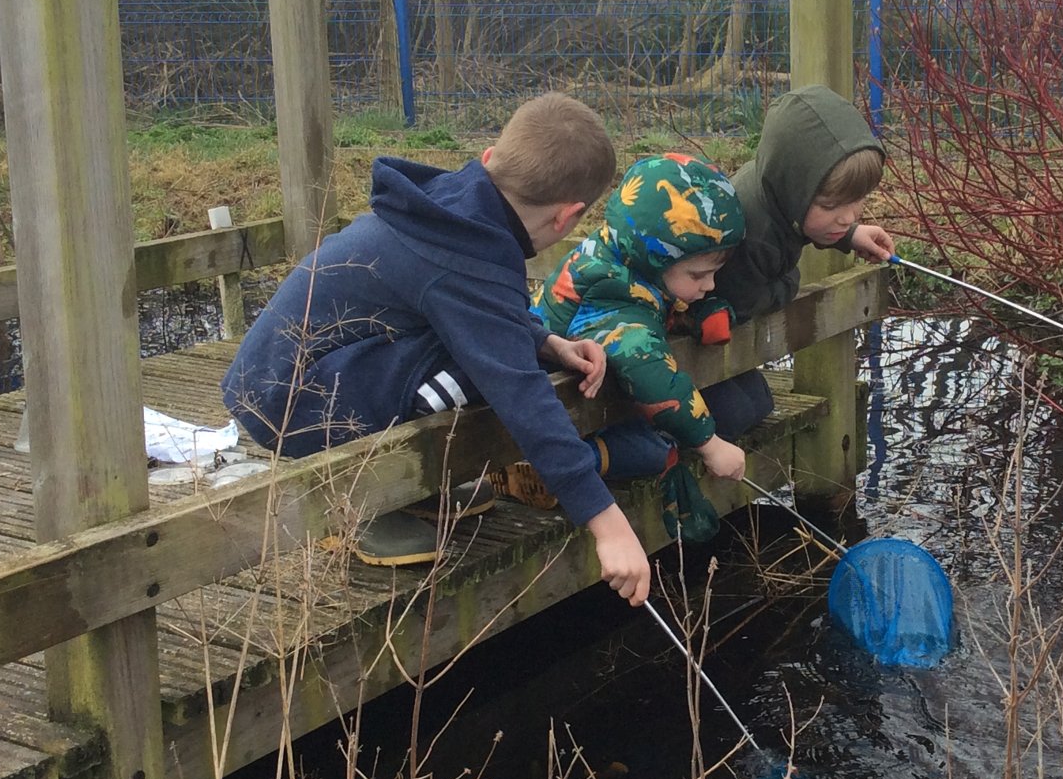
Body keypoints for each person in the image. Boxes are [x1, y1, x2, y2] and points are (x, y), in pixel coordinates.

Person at [220, 92, 651, 605]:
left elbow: (473, 312)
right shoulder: (467, 254)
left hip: (289, 377)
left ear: (490, 158)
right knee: (483, 370)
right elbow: (520, 393)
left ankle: (413, 488)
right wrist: (607, 524)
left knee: (488, 348)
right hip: (293, 408)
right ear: (567, 218)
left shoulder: (452, 210)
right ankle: (358, 503)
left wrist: (545, 342)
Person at [530, 153, 756, 536]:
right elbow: (650, 373)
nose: (710, 285)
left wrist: (697, 314)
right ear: (653, 260)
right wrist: (710, 444)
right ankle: (547, 468)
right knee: (654, 451)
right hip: (562, 417)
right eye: (700, 275)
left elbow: (660, 306)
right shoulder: (611, 296)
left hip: (591, 401)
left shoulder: (626, 265)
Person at [682, 84, 897, 428]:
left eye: (858, 201)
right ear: (794, 187)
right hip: (689, 339)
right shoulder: (754, 238)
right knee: (743, 413)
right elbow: (748, 306)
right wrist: (789, 284)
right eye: (831, 206)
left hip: (721, 331)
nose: (848, 216)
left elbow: (801, 225)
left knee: (760, 401)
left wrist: (851, 236)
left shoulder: (773, 186)